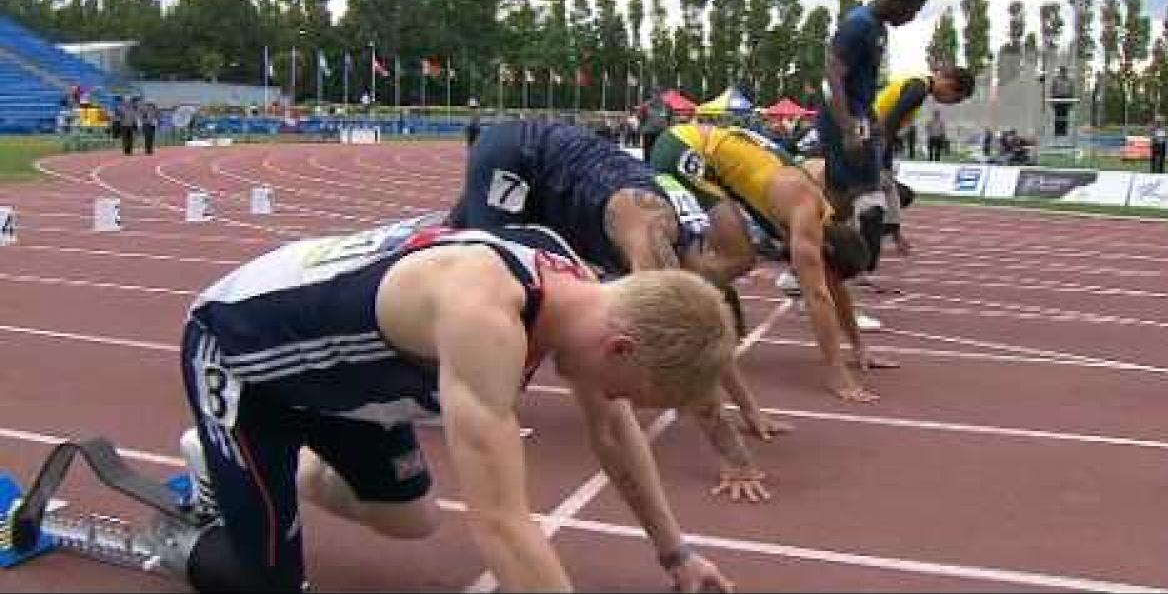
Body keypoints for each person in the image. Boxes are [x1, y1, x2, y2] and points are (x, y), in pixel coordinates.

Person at [177, 217, 738, 592]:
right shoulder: (484, 315)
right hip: (242, 358)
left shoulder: (583, 290)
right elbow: (500, 523)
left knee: (411, 519)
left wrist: (677, 555)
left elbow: (614, 433)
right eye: (625, 388)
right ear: (621, 347)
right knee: (272, 584)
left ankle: (252, 472)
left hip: (349, 388)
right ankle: (215, 492)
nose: (615, 399)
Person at [444, 119, 784, 501]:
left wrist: (750, 409)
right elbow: (679, 350)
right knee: (486, 270)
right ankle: (465, 391)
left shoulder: (685, 265)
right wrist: (734, 455)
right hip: (516, 155)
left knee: (443, 243)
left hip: (555, 190)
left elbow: (702, 349)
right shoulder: (654, 245)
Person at [652, 122, 898, 403]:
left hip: (716, 157)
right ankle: (672, 303)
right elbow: (819, 294)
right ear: (826, 248)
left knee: (740, 258)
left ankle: (695, 293)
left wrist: (858, 348)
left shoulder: (828, 221)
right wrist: (837, 374)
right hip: (683, 148)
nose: (829, 277)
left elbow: (834, 288)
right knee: (739, 257)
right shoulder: (805, 217)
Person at [818, 0, 927, 212]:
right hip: (844, 119)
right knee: (864, 198)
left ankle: (828, 239)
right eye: (912, 10)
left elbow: (863, 83)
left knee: (854, 195)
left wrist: (871, 118)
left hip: (860, 118)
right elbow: (833, 76)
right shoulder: (859, 24)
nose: (911, 18)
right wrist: (848, 129)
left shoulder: (878, 29)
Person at [874, 67, 976, 257]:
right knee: (880, 195)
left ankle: (875, 241)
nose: (951, 104)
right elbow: (890, 122)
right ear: (949, 84)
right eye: (955, 99)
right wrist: (880, 161)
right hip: (866, 141)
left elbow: (890, 126)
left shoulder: (917, 86)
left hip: (872, 141)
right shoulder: (918, 89)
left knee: (896, 193)